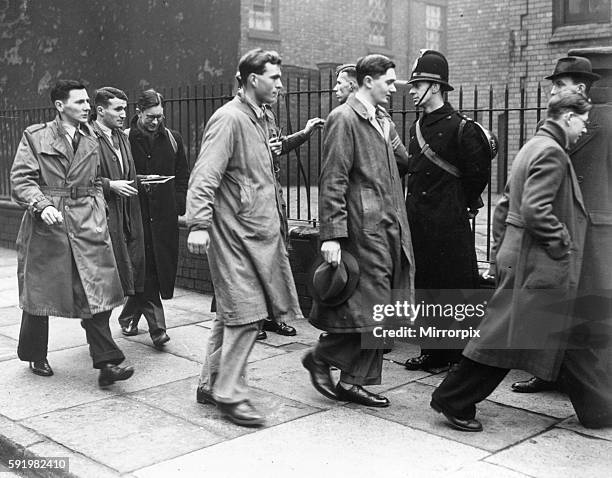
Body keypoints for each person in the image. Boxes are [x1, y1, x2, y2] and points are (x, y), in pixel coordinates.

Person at [431, 91, 593, 432]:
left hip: (517, 254)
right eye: (582, 120)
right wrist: (562, 241)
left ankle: (597, 405)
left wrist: (498, 252)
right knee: (504, 339)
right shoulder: (552, 152)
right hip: (537, 261)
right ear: (566, 117)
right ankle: (453, 398)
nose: (584, 127)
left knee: (519, 334)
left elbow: (504, 206)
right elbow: (536, 209)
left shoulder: (532, 146)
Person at [187, 49, 304, 427]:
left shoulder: (260, 118)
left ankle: (210, 383)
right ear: (253, 80)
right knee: (248, 315)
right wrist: (199, 224)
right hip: (232, 234)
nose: (281, 85)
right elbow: (205, 175)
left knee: (230, 313)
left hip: (256, 231)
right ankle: (230, 393)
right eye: (275, 78)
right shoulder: (229, 119)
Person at [302, 54, 415, 407]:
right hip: (362, 231)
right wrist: (332, 235)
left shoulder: (380, 120)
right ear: (369, 81)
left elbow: (399, 165)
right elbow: (332, 179)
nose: (394, 88)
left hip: (387, 227)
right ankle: (322, 357)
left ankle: (353, 381)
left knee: (381, 310)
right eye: (389, 81)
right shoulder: (343, 118)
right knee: (372, 308)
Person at [11, 80, 134, 387]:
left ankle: (107, 363)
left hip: (87, 220)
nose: (87, 107)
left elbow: (100, 178)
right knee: (40, 295)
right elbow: (21, 180)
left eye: (87, 102)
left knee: (97, 290)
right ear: (60, 106)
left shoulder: (93, 135)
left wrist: (100, 202)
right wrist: (41, 204)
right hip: (48, 225)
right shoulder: (35, 136)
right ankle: (34, 353)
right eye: (79, 102)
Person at [509, 57, 612, 414]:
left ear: (580, 88)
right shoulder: (552, 124)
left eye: (559, 84)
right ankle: (546, 373)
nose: (551, 90)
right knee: (555, 304)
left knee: (592, 309)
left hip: (598, 232)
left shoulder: (608, 120)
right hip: (561, 229)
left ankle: (599, 388)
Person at [403, 50, 491, 371]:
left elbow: (477, 174)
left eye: (418, 84)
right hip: (420, 220)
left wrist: (459, 205)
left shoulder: (461, 128)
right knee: (426, 285)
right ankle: (432, 351)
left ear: (436, 87)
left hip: (449, 221)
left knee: (452, 288)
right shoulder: (417, 126)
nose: (412, 90)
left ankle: (455, 356)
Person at [117, 89, 189, 348]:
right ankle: (158, 329)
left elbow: (182, 174)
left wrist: (179, 204)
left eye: (160, 116)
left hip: (164, 216)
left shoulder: (173, 139)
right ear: (138, 113)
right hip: (135, 213)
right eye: (150, 116)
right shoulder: (123, 139)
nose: (156, 121)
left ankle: (127, 316)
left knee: (156, 268)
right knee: (144, 267)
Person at [91, 87, 145, 299]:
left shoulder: (122, 137)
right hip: (102, 216)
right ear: (101, 110)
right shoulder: (87, 138)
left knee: (126, 275)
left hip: (127, 214)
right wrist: (110, 185)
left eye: (125, 108)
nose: (124, 114)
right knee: (103, 282)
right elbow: (77, 180)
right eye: (118, 109)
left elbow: (124, 170)